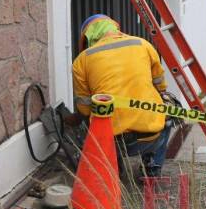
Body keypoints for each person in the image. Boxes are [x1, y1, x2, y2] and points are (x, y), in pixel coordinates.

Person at [71, 14, 171, 177]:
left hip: (111, 141)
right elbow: (160, 83)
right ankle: (151, 169)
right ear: (114, 29)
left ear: (88, 37)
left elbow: (84, 109)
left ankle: (114, 167)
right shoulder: (142, 44)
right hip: (150, 137)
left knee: (93, 121)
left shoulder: (81, 61)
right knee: (170, 113)